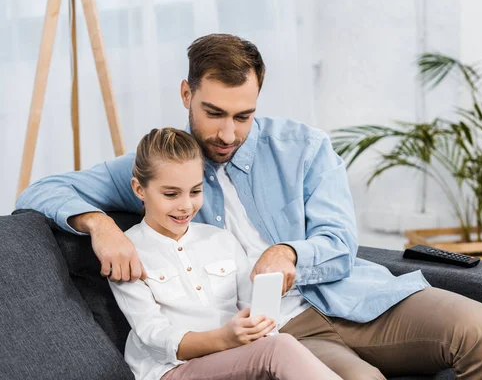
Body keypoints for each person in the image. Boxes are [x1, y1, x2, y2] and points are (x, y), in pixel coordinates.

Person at [17, 33, 482, 379]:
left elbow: (340, 245)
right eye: (213, 113)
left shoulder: (306, 148)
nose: (228, 134)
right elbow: (39, 192)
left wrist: (290, 253)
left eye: (243, 116)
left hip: (353, 298)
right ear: (187, 94)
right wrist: (99, 223)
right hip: (277, 331)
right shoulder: (167, 172)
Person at [109, 127, 341, 380]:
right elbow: (154, 335)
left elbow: (253, 306)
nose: (186, 205)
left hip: (236, 359)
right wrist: (224, 338)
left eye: (195, 191)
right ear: (139, 189)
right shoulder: (125, 251)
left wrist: (260, 318)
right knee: (278, 350)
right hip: (170, 369)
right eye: (171, 194)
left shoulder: (220, 240)